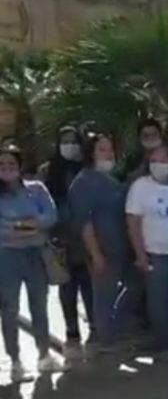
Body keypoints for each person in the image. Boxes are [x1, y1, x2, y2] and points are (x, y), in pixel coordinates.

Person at [0, 145, 64, 381]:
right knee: (10, 309)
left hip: (36, 254)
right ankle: (15, 361)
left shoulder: (36, 189)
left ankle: (44, 355)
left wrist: (22, 226)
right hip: (7, 257)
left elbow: (50, 216)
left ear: (19, 166)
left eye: (11, 164)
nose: (7, 169)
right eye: (2, 165)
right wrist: (26, 226)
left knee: (39, 306)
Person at [125, 145, 168, 359]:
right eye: (154, 161)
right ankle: (163, 345)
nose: (159, 165)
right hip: (155, 251)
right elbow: (133, 221)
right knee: (158, 302)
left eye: (163, 160)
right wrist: (140, 254)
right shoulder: (140, 187)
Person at [67, 132, 131, 355]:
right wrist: (96, 254)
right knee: (103, 296)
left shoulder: (111, 179)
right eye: (102, 149)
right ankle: (107, 341)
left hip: (122, 247)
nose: (108, 154)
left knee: (134, 286)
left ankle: (116, 329)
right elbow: (84, 222)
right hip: (101, 250)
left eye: (110, 149)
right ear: (91, 153)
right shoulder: (83, 182)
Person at [41, 125, 94, 354]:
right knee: (67, 286)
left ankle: (95, 326)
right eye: (65, 141)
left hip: (86, 235)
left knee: (89, 284)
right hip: (60, 238)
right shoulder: (48, 171)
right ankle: (72, 331)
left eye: (74, 141)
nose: (69, 145)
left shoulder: (86, 168)